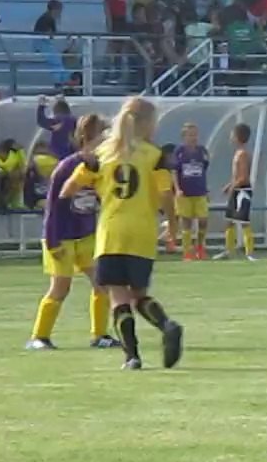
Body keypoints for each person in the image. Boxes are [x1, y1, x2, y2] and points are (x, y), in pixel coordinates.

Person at [60, 96, 183, 371]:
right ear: (148, 124)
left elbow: (68, 188)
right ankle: (167, 324)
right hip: (142, 232)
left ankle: (132, 357)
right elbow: (166, 194)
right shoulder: (155, 156)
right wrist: (173, 226)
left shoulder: (103, 153)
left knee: (118, 296)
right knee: (139, 295)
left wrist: (87, 192)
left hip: (111, 232)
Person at [26, 114, 121, 351]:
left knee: (101, 284)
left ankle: (100, 335)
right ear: (91, 138)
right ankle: (39, 336)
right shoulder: (68, 167)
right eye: (105, 136)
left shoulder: (103, 166)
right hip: (62, 236)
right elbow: (53, 208)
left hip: (86, 235)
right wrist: (53, 241)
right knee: (60, 288)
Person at [215, 123, 256, 260]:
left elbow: (243, 177)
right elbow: (237, 175)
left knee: (244, 221)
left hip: (242, 191)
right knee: (229, 221)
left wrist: (233, 186)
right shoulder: (238, 153)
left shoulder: (243, 154)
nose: (230, 137)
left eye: (232, 134)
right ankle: (228, 250)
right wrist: (229, 185)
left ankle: (249, 253)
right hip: (237, 189)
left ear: (238, 137)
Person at [169, 124, 208, 260]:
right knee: (186, 222)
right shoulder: (179, 152)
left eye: (195, 134)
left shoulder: (202, 151)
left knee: (203, 220)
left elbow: (204, 169)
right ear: (184, 137)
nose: (193, 138)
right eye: (190, 135)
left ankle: (200, 247)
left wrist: (206, 188)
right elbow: (174, 171)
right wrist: (177, 188)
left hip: (200, 192)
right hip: (185, 193)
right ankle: (187, 252)